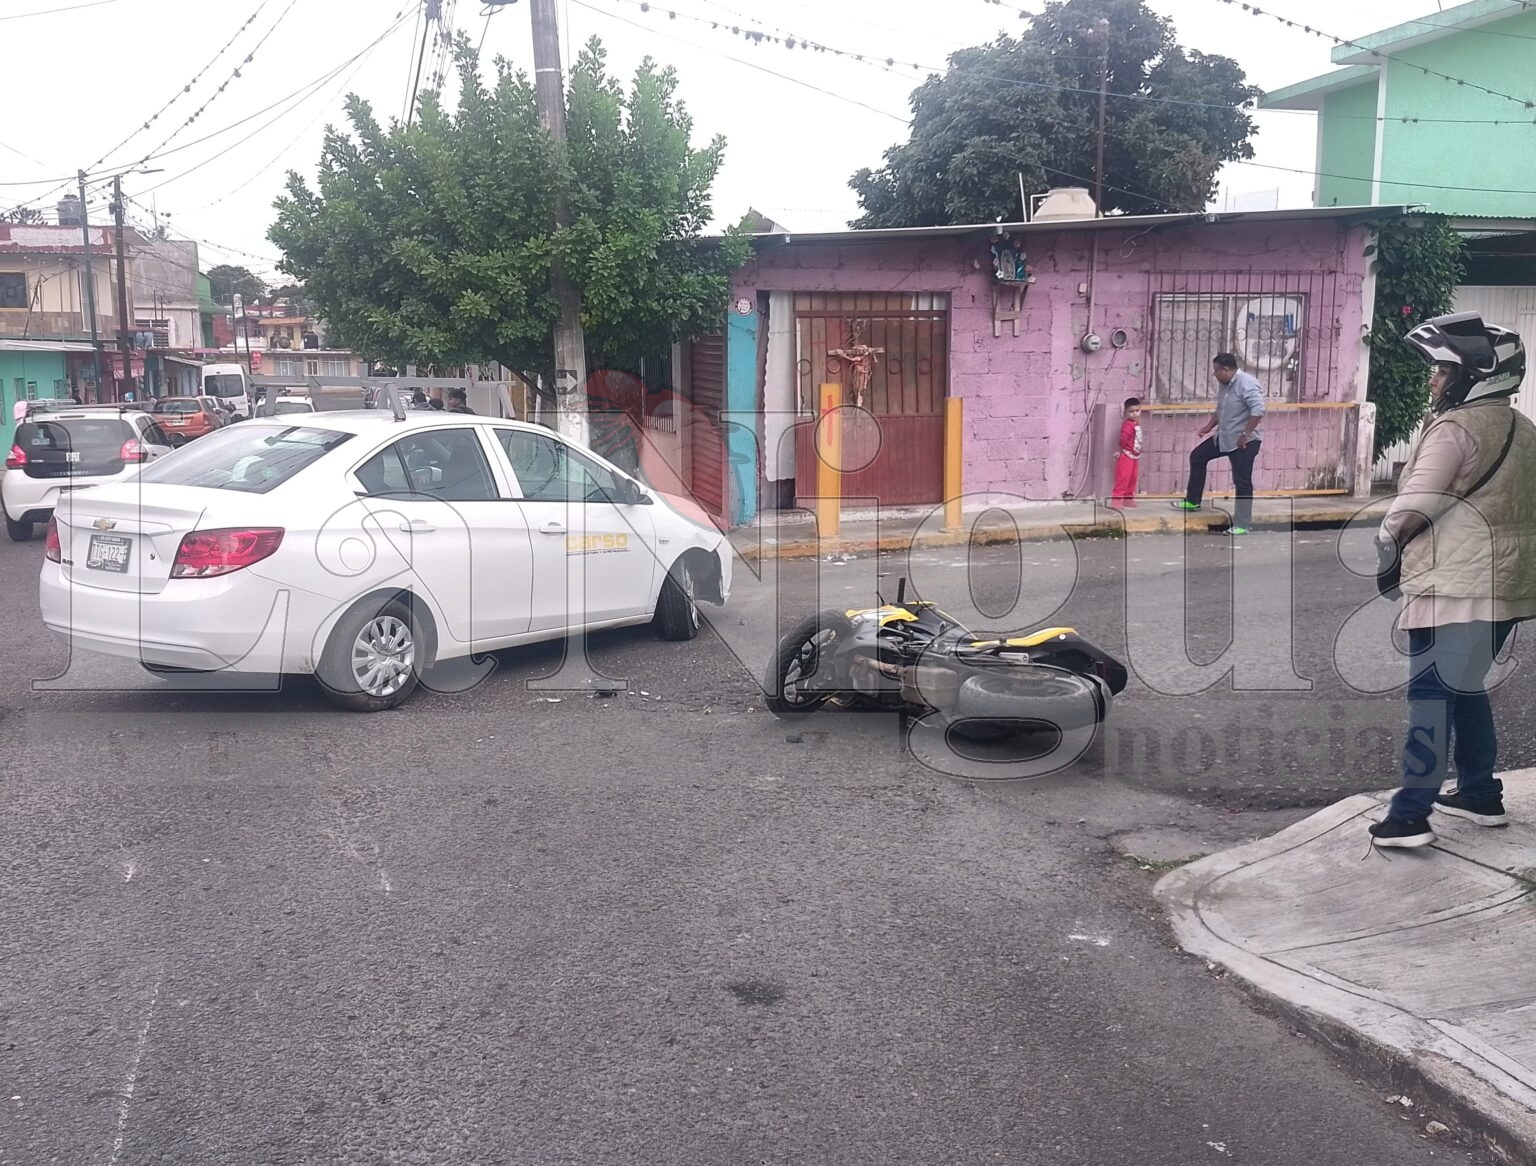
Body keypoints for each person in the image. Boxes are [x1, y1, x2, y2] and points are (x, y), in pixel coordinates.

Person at [1368, 312, 1536, 849]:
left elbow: (1414, 505)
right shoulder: (1524, 429)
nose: (1434, 380)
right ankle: (1479, 795)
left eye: (1442, 370)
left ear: (1474, 373)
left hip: (1453, 583)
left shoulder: (1455, 428)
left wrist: (1387, 542)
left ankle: (1411, 815)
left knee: (1430, 696)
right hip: (1508, 583)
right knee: (1464, 689)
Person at [1170, 353, 1266, 535]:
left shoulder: (1247, 383)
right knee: (1198, 456)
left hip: (1244, 442)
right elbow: (1221, 409)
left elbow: (1258, 410)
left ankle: (1242, 525)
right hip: (1224, 438)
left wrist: (1245, 434)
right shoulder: (1225, 384)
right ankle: (1193, 501)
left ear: (1226, 369)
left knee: (1242, 481)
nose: (1214, 374)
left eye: (1216, 371)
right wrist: (1208, 427)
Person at [1110, 397, 1142, 509]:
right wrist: (1121, 450)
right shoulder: (1128, 425)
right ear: (1126, 412)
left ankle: (1128, 499)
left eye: (1137, 411)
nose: (1134, 414)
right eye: (1131, 411)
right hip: (1126, 455)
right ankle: (1116, 500)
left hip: (1135, 456)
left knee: (1132, 478)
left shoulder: (1136, 423)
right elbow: (1123, 440)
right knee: (1123, 478)